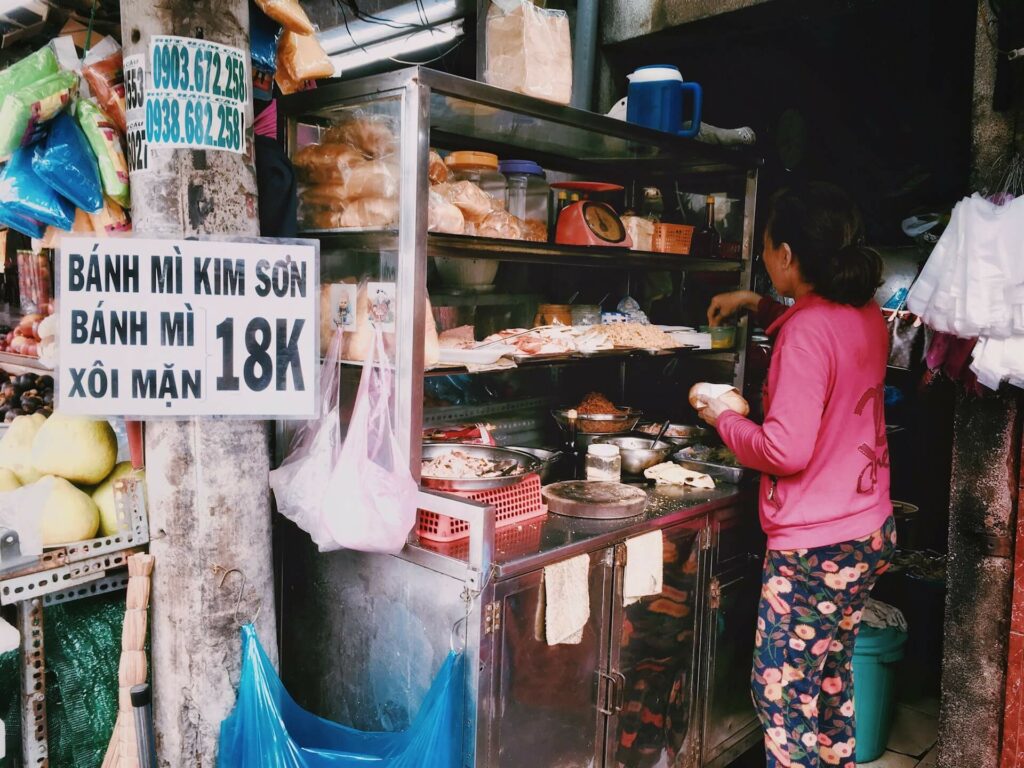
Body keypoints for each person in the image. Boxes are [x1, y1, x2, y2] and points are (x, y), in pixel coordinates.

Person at [697, 182, 896, 768]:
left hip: (817, 547)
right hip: (867, 530)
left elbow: (785, 451)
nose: (763, 260)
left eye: (764, 250)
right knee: (829, 682)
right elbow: (817, 327)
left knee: (780, 697)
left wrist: (722, 419)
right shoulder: (863, 313)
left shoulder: (806, 336)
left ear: (786, 255)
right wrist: (754, 302)